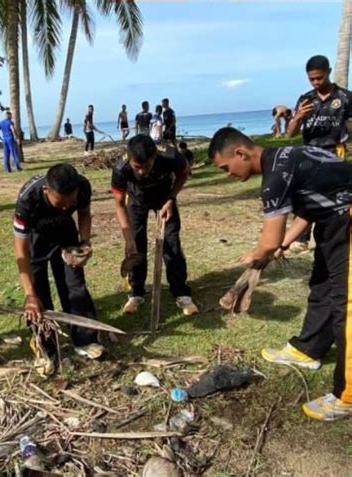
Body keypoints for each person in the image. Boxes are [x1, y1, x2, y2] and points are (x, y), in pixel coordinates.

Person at [208, 126, 352, 421]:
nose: (227, 174)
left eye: (226, 167)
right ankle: (309, 348)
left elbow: (268, 242)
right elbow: (311, 205)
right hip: (334, 221)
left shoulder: (274, 178)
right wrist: (285, 241)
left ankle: (347, 396)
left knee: (346, 307)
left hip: (347, 222)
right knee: (323, 286)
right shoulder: (289, 156)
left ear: (241, 153)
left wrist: (257, 254)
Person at [13, 163, 105, 377]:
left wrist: (85, 242)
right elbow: (21, 250)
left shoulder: (82, 186)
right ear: (47, 190)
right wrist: (29, 294)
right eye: (60, 202)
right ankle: (45, 348)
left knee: (74, 285)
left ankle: (85, 339)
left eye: (69, 201)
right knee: (39, 295)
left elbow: (83, 213)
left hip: (65, 232)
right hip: (37, 239)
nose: (66, 207)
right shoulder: (27, 201)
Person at [110, 134, 199, 316]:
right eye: (137, 167)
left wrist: (171, 199)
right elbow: (119, 205)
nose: (142, 172)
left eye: (147, 166)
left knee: (171, 242)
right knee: (136, 246)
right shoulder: (121, 168)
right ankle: (136, 293)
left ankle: (181, 292)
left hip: (164, 198)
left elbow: (183, 173)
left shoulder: (170, 157)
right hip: (136, 201)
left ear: (154, 158)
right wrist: (128, 239)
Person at [287, 55, 352, 253]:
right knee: (303, 193)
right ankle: (301, 238)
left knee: (334, 197)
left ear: (329, 72)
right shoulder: (306, 99)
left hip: (334, 152)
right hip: (309, 154)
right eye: (312, 79)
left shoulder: (345, 98)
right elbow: (291, 133)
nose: (316, 82)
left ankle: (334, 237)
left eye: (320, 78)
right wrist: (297, 118)